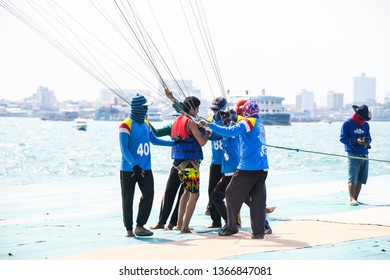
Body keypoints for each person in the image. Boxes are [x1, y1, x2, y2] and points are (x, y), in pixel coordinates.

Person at [198, 100, 269, 239]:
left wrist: (209, 125)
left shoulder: (248, 122)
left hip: (248, 166)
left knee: (230, 193)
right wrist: (234, 120)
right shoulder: (259, 123)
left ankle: (231, 227)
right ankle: (259, 232)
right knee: (257, 200)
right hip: (263, 166)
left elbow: (230, 132)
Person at [119, 93, 176, 237]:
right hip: (129, 169)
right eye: (144, 107)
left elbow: (155, 140)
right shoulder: (125, 125)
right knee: (128, 198)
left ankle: (140, 226)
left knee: (149, 194)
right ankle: (129, 229)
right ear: (137, 107)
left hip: (146, 168)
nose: (146, 110)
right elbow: (124, 148)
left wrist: (174, 143)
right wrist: (134, 165)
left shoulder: (146, 123)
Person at [173, 96, 210, 233]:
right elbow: (202, 142)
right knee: (195, 195)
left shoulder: (177, 120)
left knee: (186, 192)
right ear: (192, 108)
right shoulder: (191, 122)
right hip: (190, 165)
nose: (198, 111)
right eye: (197, 108)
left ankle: (179, 223)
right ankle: (185, 227)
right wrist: (207, 132)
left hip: (179, 163)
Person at [340, 104, 372, 206]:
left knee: (361, 179)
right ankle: (351, 198)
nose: (363, 120)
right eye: (362, 118)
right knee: (352, 177)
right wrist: (355, 141)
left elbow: (369, 137)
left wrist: (366, 141)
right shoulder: (347, 124)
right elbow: (342, 138)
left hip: (364, 154)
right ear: (358, 115)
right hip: (352, 154)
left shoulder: (366, 125)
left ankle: (356, 199)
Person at [205, 96, 227, 228]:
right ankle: (216, 221)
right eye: (213, 109)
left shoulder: (227, 122)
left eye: (217, 110)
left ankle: (233, 220)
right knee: (211, 191)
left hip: (228, 163)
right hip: (215, 162)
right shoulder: (209, 121)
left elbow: (222, 134)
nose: (214, 112)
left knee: (228, 192)